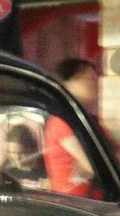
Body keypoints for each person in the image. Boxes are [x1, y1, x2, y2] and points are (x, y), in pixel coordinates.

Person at [43, 58, 104, 198]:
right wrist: (93, 163)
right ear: (67, 85)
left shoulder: (91, 120)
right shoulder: (61, 121)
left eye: (95, 78)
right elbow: (93, 166)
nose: (95, 83)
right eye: (88, 79)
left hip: (94, 202)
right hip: (72, 204)